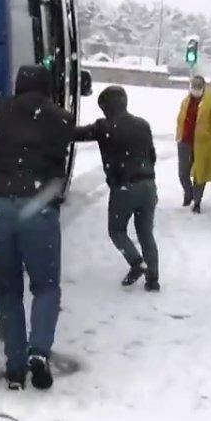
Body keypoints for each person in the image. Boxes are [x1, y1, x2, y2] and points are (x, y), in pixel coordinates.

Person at [0, 65, 73, 391]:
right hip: (38, 207)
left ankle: (15, 367)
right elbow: (59, 160)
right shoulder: (61, 118)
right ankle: (39, 352)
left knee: (8, 289)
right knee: (46, 286)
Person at [75, 85, 160, 291]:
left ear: (106, 107)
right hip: (148, 185)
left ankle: (136, 262)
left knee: (116, 230)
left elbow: (76, 134)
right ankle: (153, 279)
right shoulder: (143, 124)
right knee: (145, 233)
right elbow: (152, 156)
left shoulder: (104, 126)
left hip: (125, 188)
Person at [175, 75, 211, 214]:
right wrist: (179, 135)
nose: (195, 90)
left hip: (203, 144)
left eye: (198, 88)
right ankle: (188, 193)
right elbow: (180, 119)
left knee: (200, 174)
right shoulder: (186, 101)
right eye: (193, 87)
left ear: (203, 88)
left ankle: (197, 201)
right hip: (185, 141)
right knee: (183, 172)